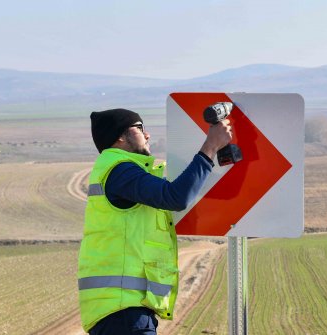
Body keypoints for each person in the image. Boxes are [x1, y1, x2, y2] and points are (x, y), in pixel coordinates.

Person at [77, 108, 232, 334]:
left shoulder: (116, 170)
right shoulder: (120, 170)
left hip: (120, 310)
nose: (147, 135)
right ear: (120, 137)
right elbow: (175, 197)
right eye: (139, 128)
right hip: (124, 312)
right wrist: (211, 146)